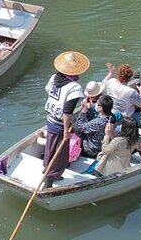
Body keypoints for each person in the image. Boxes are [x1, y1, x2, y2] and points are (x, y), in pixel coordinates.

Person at [42, 51, 89, 187]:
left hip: (50, 119)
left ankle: (47, 170)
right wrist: (66, 132)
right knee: (61, 154)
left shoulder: (53, 78)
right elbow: (67, 112)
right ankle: (50, 179)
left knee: (50, 148)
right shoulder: (74, 88)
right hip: (60, 123)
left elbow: (48, 91)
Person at [74, 94, 113, 159]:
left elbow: (79, 126)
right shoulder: (110, 117)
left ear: (101, 108)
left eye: (97, 104)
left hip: (91, 150)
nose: (95, 105)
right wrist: (89, 109)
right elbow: (92, 122)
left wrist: (83, 110)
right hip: (100, 144)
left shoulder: (98, 122)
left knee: (74, 129)